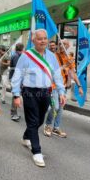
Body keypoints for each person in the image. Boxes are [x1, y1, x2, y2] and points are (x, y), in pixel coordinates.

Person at [12, 29, 66, 167]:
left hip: (46, 92)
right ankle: (37, 152)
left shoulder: (52, 56)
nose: (43, 41)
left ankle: (26, 137)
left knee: (40, 120)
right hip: (29, 92)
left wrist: (61, 91)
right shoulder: (26, 56)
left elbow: (57, 75)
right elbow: (17, 76)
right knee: (33, 120)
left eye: (45, 38)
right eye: (40, 38)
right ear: (33, 40)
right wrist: (16, 95)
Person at [44, 39, 83, 138]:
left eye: (64, 44)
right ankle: (48, 125)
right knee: (55, 107)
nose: (62, 46)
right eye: (60, 44)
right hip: (53, 86)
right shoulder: (53, 56)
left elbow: (72, 73)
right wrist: (65, 65)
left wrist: (79, 86)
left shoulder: (69, 58)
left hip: (63, 87)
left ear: (68, 46)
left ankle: (56, 128)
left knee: (60, 108)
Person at [9, 43, 24, 122]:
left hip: (16, 78)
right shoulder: (16, 56)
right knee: (15, 95)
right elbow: (17, 69)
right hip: (15, 79)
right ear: (22, 48)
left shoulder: (17, 55)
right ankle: (13, 114)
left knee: (16, 95)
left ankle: (15, 113)